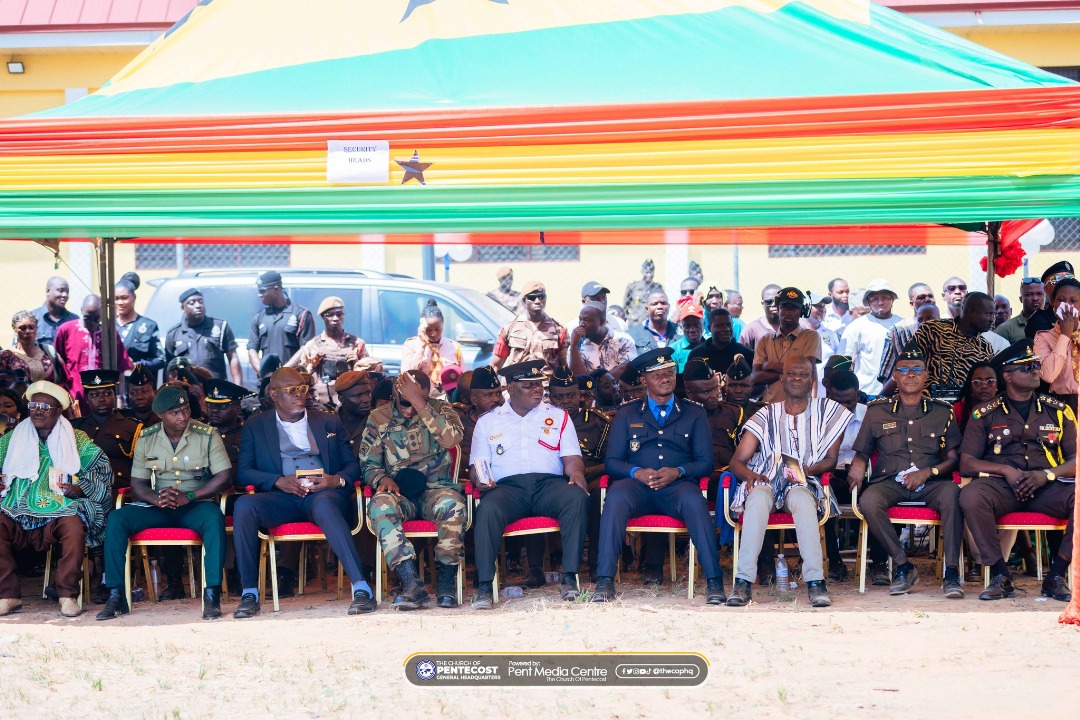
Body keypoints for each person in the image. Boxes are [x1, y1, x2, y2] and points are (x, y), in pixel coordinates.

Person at [232, 368, 372, 617]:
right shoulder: (256, 425)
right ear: (274, 393)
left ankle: (361, 588)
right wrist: (276, 481)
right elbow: (244, 472)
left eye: (303, 388)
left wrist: (334, 480)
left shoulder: (327, 421)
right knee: (244, 506)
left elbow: (351, 465)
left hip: (323, 494)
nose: (300, 395)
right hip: (283, 497)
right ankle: (249, 593)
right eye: (291, 390)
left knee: (325, 505)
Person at [591, 348, 726, 604]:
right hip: (637, 487)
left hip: (677, 487)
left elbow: (705, 463)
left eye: (669, 372)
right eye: (657, 375)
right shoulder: (627, 413)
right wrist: (636, 472)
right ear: (644, 381)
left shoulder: (694, 413)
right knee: (615, 497)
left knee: (695, 501)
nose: (665, 378)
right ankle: (604, 580)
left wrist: (679, 471)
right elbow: (612, 462)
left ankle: (714, 581)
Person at [96, 386, 232, 620]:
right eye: (175, 413)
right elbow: (137, 482)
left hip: (194, 504)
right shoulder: (147, 438)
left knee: (213, 519)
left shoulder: (207, 434)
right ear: (160, 414)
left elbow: (223, 476)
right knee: (117, 518)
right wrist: (155, 498)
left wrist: (188, 496)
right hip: (158, 506)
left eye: (185, 409)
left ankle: (211, 595)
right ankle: (116, 595)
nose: (182, 416)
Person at [726, 356, 852, 608]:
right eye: (791, 374)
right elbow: (737, 461)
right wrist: (751, 476)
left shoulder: (828, 412)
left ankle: (816, 583)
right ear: (782, 379)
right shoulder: (766, 413)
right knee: (759, 497)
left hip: (805, 481)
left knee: (803, 500)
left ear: (812, 380)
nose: (796, 379)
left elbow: (831, 459)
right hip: (766, 478)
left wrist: (808, 470)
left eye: (803, 374)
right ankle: (743, 582)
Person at [959, 341, 1076, 602]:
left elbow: (1076, 459)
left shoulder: (1058, 410)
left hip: (1046, 485)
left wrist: (1048, 474)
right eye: (1027, 368)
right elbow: (967, 462)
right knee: (971, 496)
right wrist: (1005, 470)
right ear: (1007, 376)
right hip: (1002, 486)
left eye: (1036, 366)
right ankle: (1000, 574)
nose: (1035, 371)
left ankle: (1056, 575)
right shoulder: (984, 413)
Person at [469, 361, 589, 609]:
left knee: (575, 497)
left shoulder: (558, 416)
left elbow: (572, 459)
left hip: (548, 486)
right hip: (508, 489)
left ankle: (569, 578)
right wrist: (481, 479)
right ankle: (484, 586)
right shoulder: (488, 422)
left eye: (539, 384)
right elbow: (477, 465)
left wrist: (577, 473)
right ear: (510, 389)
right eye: (529, 385)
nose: (538, 390)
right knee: (488, 509)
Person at [848, 344, 964, 598]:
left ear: (926, 375)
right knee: (868, 500)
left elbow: (953, 458)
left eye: (917, 369)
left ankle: (952, 572)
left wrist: (928, 472)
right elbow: (862, 453)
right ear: (895, 377)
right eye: (904, 369)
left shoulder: (942, 411)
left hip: (932, 481)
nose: (910, 374)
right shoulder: (876, 411)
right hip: (890, 481)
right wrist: (857, 467)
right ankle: (903, 566)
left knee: (954, 494)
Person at [0, 381, 111, 617]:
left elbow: (102, 471)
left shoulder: (77, 439)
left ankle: (67, 595)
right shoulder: (10, 439)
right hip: (15, 508)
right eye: (33, 405)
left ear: (58, 411)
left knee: (74, 526)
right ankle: (7, 595)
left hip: (59, 508)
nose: (38, 410)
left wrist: (80, 488)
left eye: (45, 406)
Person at [361, 371, 465, 609]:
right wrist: (381, 478)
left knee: (453, 504)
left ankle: (446, 583)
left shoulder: (441, 410)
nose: (410, 410)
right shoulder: (378, 418)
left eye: (418, 401)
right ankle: (411, 583)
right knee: (379, 505)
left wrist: (419, 403)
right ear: (396, 394)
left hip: (436, 490)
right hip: (399, 492)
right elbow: (368, 464)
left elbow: (451, 440)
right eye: (405, 402)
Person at [549, 368, 610, 581]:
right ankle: (543, 565)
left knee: (595, 496)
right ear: (549, 396)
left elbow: (609, 461)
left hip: (591, 479)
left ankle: (595, 563)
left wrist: (581, 473)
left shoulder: (596, 421)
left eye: (571, 395)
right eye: (559, 397)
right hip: (553, 480)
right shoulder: (541, 421)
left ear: (579, 395)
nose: (566, 401)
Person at [285, 296, 369, 406]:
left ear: (343, 316)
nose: (335, 318)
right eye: (330, 315)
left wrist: (357, 363)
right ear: (323, 317)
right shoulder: (312, 345)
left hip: (349, 404)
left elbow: (368, 379)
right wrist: (313, 365)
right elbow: (302, 379)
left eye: (339, 314)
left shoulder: (357, 344)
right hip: (320, 403)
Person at [53, 295, 132, 410]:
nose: (92, 323)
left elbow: (120, 367)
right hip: (73, 399)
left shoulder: (109, 334)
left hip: (103, 400)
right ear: (81, 310)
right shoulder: (66, 330)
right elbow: (57, 366)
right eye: (87, 318)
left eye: (96, 319)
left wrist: (120, 397)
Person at [912, 292, 997, 396]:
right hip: (928, 404)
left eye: (994, 315)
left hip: (964, 407)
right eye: (988, 314)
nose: (992, 320)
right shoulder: (932, 329)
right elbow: (908, 364)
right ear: (972, 312)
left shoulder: (985, 347)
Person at [753, 288, 823, 403]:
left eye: (794, 308)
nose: (789, 312)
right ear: (778, 308)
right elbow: (756, 377)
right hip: (770, 406)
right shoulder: (765, 340)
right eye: (785, 307)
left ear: (802, 311)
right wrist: (790, 372)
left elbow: (805, 370)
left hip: (801, 407)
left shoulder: (811, 337)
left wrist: (771, 365)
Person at [164, 288, 243, 384]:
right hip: (187, 389)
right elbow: (169, 368)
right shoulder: (174, 333)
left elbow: (233, 357)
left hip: (215, 387)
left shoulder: (220, 327)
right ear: (182, 308)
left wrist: (239, 387)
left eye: (201, 302)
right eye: (192, 303)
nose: (198, 305)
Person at [247, 271, 316, 378]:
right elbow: (252, 349)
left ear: (276, 290)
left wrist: (282, 372)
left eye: (262, 291)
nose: (259, 295)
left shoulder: (301, 314)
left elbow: (306, 348)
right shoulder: (258, 318)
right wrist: (263, 372)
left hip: (292, 381)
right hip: (266, 382)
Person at [842, 279, 904, 396]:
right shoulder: (856, 327)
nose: (880, 302)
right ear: (868, 302)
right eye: (875, 298)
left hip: (900, 393)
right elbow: (844, 362)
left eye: (885, 297)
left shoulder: (903, 325)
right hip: (867, 393)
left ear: (892, 299)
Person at [491, 281, 568, 374]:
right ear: (524, 301)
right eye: (532, 297)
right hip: (515, 385)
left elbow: (565, 367)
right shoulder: (509, 329)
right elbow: (496, 365)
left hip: (544, 386)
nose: (537, 301)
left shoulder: (559, 331)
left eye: (541, 297)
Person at [875, 283, 937, 386]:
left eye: (930, 296)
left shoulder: (948, 328)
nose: (927, 299)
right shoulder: (898, 330)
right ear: (912, 304)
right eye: (921, 297)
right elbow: (887, 373)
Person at [1033, 277, 1080, 412]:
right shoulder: (1043, 337)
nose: (1067, 305)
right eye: (1061, 300)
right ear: (1053, 304)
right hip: (1059, 405)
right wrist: (1065, 335)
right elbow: (1048, 375)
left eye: (1073, 301)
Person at [401, 299, 463, 397]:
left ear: (443, 325)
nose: (433, 334)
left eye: (437, 329)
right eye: (428, 330)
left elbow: (462, 379)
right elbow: (406, 376)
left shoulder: (454, 347)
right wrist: (422, 346)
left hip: (447, 399)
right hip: (420, 399)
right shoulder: (411, 345)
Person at [451, 365, 504, 472]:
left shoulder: (510, 418)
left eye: (498, 393)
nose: (496, 399)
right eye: (489, 395)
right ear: (474, 400)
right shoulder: (457, 419)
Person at [569, 303, 636, 379]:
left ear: (601, 322)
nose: (582, 324)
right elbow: (577, 377)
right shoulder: (577, 344)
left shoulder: (623, 339)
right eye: (580, 320)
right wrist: (573, 346)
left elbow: (626, 367)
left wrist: (597, 383)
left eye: (587, 320)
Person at [115, 277, 164, 376]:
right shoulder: (108, 326)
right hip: (113, 385)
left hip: (139, 385)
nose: (120, 303)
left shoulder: (149, 326)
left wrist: (136, 366)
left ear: (134, 297)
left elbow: (160, 360)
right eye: (116, 298)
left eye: (124, 298)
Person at [687, 308, 754, 377]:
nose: (726, 329)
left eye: (729, 324)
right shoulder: (696, 355)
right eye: (720, 325)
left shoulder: (747, 354)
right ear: (710, 328)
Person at [0, 311, 55, 384]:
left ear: (36, 328)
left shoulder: (49, 352)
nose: (28, 331)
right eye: (22, 328)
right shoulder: (6, 356)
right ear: (15, 329)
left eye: (31, 327)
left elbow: (64, 378)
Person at [1026, 261, 1075, 340]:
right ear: (1046, 289)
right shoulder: (1038, 321)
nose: (1063, 283)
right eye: (1056, 279)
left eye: (1069, 278)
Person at [333, 370, 374, 455]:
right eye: (358, 396)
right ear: (342, 399)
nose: (367, 399)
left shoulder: (379, 421)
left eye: (368, 393)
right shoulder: (328, 423)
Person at [995, 277, 1045, 344]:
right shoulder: (1005, 329)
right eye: (1029, 294)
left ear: (1045, 296)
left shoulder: (1056, 324)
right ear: (1021, 299)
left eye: (1039, 294)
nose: (1035, 298)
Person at [31, 276, 79, 346]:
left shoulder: (74, 320)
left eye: (67, 292)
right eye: (60, 290)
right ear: (48, 291)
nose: (65, 295)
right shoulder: (32, 318)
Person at [739, 284, 782, 350]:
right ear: (763, 304)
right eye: (768, 302)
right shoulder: (751, 330)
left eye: (777, 301)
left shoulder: (793, 327)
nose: (773, 304)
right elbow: (741, 356)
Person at [623, 259, 665, 327]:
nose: (648, 274)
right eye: (646, 272)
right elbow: (625, 306)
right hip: (635, 323)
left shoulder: (658, 288)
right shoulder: (633, 287)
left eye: (651, 272)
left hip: (652, 323)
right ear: (642, 271)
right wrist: (630, 317)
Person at [669, 302, 706, 372]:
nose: (692, 330)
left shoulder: (711, 346)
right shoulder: (673, 351)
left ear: (703, 324)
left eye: (696, 325)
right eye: (687, 326)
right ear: (681, 327)